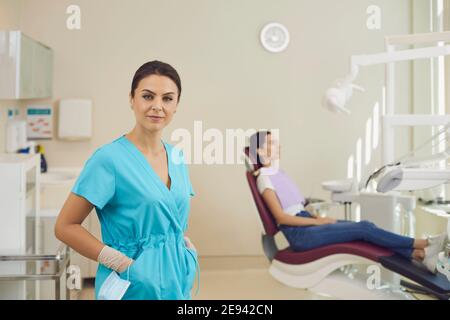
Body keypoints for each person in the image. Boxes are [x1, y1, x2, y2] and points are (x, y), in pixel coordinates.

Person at [55, 61, 198, 300]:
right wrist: (121, 263)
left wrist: (184, 247)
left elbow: (168, 217)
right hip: (131, 282)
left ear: (176, 105)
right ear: (132, 99)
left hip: (176, 277)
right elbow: (65, 226)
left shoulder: (176, 156)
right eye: (147, 96)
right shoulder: (109, 160)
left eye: (167, 99)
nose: (157, 106)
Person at [249, 130, 446, 273]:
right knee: (364, 229)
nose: (278, 146)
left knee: (366, 229)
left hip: (306, 223)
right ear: (259, 151)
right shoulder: (264, 178)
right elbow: (281, 217)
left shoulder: (278, 174)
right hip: (301, 235)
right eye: (271, 143)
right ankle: (425, 243)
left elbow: (297, 207)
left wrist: (316, 217)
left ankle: (420, 256)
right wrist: (318, 222)